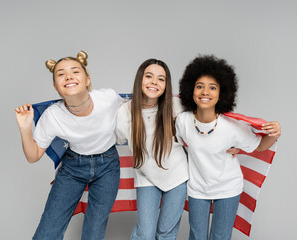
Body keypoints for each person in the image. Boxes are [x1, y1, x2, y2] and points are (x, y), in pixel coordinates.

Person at [15, 51, 123, 240]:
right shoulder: (52, 115)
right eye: (61, 74)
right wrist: (25, 128)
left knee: (95, 230)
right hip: (73, 168)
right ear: (56, 85)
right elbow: (33, 156)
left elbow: (135, 112)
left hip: (108, 165)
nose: (69, 76)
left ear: (87, 79)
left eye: (75, 71)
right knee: (48, 231)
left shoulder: (108, 98)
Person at [175, 55, 281, 240]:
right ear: (191, 89)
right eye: (199, 86)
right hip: (197, 189)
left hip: (228, 188)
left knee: (220, 237)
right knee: (196, 236)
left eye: (212, 87)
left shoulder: (232, 126)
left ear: (222, 92)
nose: (205, 91)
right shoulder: (183, 121)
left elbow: (260, 145)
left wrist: (275, 134)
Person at [115, 59, 189, 240]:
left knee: (166, 233)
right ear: (140, 79)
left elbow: (205, 120)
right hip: (146, 176)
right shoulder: (126, 111)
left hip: (177, 176)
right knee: (145, 234)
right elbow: (117, 138)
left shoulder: (176, 105)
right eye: (149, 76)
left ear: (166, 84)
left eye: (161, 79)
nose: (154, 82)